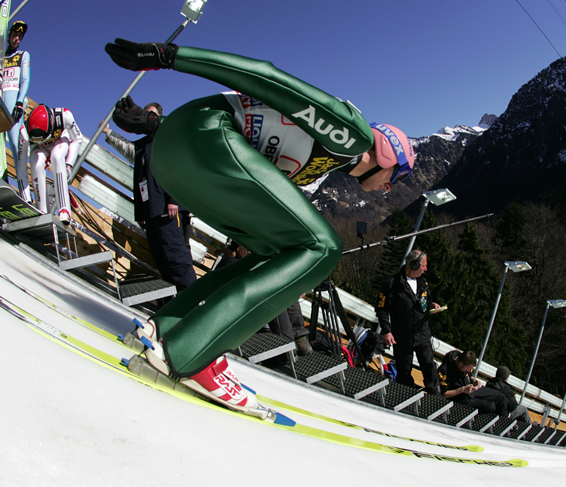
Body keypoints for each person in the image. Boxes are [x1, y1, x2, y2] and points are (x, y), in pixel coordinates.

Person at [104, 38, 415, 416]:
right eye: (395, 175)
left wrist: (154, 124)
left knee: (276, 249)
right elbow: (265, 79)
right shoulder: (352, 135)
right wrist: (171, 57)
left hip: (178, 156)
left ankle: (168, 326)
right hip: (203, 138)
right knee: (325, 246)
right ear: (386, 154)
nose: (389, 186)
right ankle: (190, 353)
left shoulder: (323, 164)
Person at [101, 103, 197, 292]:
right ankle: (177, 298)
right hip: (151, 210)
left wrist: (173, 200)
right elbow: (127, 150)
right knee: (161, 257)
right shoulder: (142, 146)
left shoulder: (169, 138)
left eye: (152, 116)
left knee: (176, 255)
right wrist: (108, 133)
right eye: (145, 115)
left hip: (168, 209)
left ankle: (193, 297)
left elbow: (176, 169)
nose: (147, 119)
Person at [376, 249, 441, 394]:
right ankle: (406, 395)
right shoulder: (392, 284)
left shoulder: (423, 282)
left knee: (429, 366)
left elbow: (427, 300)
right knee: (404, 369)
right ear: (415, 265)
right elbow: (381, 308)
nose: (426, 269)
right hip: (402, 335)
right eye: (423, 266)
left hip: (422, 332)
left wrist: (432, 305)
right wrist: (386, 331)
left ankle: (435, 396)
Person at [19, 104, 82, 223]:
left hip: (60, 140)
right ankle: (42, 210)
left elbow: (78, 139)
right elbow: (21, 168)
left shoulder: (64, 116)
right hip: (38, 148)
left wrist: (69, 164)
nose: (46, 142)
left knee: (57, 157)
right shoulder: (23, 133)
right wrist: (26, 200)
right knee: (36, 164)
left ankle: (64, 210)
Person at [438, 350, 531, 423]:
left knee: (500, 396)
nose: (470, 370)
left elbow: (468, 373)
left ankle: (503, 422)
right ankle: (501, 423)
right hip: (459, 396)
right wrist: (462, 390)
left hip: (470, 390)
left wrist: (474, 380)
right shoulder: (445, 371)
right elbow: (443, 394)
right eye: (469, 368)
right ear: (461, 364)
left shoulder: (462, 361)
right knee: (490, 406)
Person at [3, 20, 30, 190]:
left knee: (16, 147)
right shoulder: (1, 57)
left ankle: (24, 194)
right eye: (15, 35)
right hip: (1, 106)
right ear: (9, 35)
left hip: (13, 110)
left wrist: (19, 102)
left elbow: (25, 80)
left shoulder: (22, 55)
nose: (17, 39)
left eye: (20, 36)